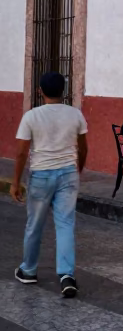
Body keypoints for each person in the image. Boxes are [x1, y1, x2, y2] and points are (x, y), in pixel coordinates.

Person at [12, 71, 88, 297]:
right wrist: (78, 171)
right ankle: (66, 275)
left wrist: (15, 182)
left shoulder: (31, 116)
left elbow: (21, 153)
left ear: (40, 91)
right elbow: (83, 148)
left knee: (34, 224)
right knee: (65, 224)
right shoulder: (76, 115)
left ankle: (29, 270)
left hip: (41, 175)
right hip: (68, 174)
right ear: (63, 92)